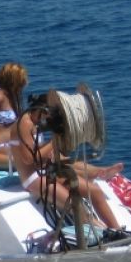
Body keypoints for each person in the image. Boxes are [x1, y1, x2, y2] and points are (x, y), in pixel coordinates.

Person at [11, 93, 122, 233]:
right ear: (41, 111)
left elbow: (40, 150)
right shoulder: (25, 123)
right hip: (33, 178)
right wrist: (53, 142)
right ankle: (103, 232)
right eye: (47, 117)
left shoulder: (35, 122)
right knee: (76, 206)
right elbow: (29, 159)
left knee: (94, 191)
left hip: (46, 171)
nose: (47, 121)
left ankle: (117, 230)